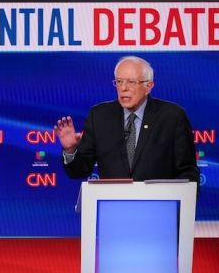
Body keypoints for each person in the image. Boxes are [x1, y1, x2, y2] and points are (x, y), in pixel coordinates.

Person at [54, 55, 199, 183]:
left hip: (158, 207)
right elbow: (80, 171)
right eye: (119, 81)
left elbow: (187, 171)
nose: (123, 88)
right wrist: (71, 150)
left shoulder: (172, 116)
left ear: (148, 86)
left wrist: (179, 204)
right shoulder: (99, 116)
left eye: (131, 82)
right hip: (112, 206)